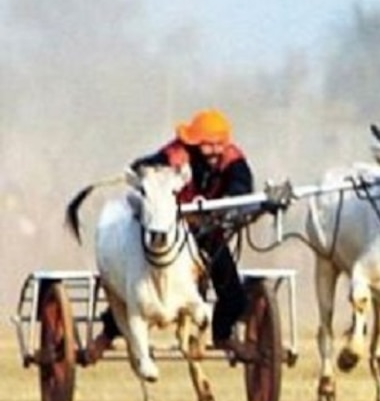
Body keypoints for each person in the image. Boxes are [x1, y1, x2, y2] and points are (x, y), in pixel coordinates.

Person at [80, 108, 257, 365]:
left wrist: (232, 200)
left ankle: (222, 334)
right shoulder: (175, 155)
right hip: (170, 230)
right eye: (208, 145)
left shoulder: (232, 158)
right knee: (140, 292)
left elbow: (241, 183)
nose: (215, 151)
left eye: (220, 144)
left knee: (233, 292)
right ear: (195, 143)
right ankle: (108, 334)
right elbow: (144, 168)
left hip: (209, 229)